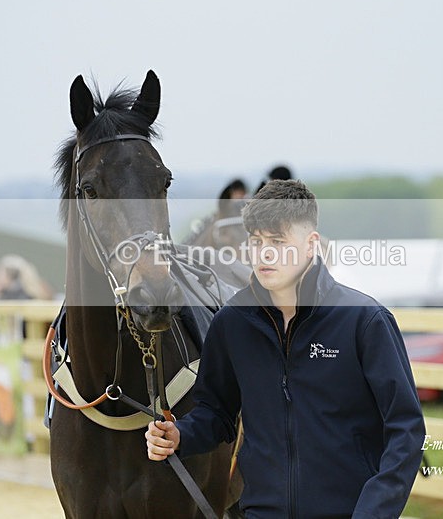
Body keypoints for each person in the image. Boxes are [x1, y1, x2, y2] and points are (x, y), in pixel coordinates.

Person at [146, 180, 425, 518]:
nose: (264, 253)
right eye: (257, 241)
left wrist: (373, 512)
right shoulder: (232, 324)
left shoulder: (365, 321)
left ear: (311, 245)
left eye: (277, 242)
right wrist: (180, 435)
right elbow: (217, 414)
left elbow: (406, 429)